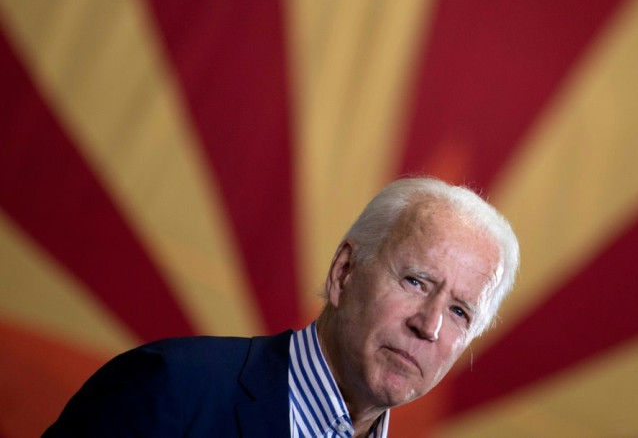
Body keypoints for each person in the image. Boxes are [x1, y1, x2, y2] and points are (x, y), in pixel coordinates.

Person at [43, 177, 519, 437]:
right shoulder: (170, 389)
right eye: (415, 281)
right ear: (343, 273)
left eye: (460, 312)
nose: (429, 324)